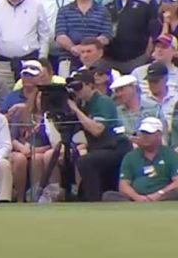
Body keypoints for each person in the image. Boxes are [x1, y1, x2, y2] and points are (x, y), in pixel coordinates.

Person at [67, 70, 130, 202]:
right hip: (100, 147)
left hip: (117, 147)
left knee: (86, 161)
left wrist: (76, 110)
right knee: (79, 157)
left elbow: (97, 130)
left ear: (90, 85)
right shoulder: (83, 104)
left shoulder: (103, 101)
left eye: (80, 87)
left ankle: (94, 201)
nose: (77, 91)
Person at [102, 117, 178, 202]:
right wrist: (137, 197)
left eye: (148, 133)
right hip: (135, 197)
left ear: (159, 135)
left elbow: (177, 181)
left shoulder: (170, 154)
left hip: (162, 196)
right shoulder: (131, 156)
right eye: (142, 133)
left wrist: (159, 194)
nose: (144, 136)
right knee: (108, 195)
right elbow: (123, 185)